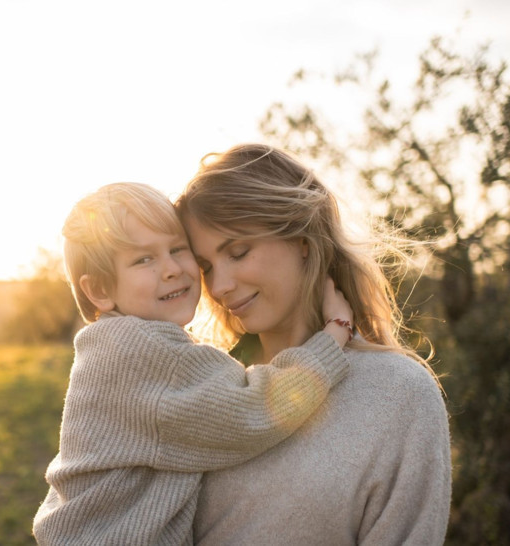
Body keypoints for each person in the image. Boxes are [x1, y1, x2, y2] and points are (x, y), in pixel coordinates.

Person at [33, 182, 356, 545]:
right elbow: (253, 411)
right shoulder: (137, 349)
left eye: (177, 249)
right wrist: (333, 336)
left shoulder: (111, 347)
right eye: (143, 259)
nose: (171, 269)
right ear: (100, 292)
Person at [175, 143, 452, 545]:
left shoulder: (399, 394)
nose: (219, 287)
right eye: (206, 268)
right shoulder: (212, 393)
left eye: (238, 252)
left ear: (302, 237)